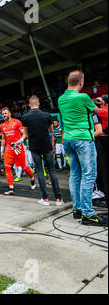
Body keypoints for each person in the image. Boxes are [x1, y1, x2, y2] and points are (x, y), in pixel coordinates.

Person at [58, 70, 106, 226]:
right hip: (83, 139)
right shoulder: (83, 97)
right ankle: (88, 213)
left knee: (76, 174)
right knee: (89, 175)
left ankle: (77, 209)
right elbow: (97, 111)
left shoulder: (61, 99)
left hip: (69, 140)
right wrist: (101, 102)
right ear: (81, 82)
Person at [22, 95, 63, 206]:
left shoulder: (25, 117)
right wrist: (52, 143)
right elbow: (51, 132)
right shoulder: (47, 115)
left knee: (40, 171)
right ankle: (58, 198)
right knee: (52, 171)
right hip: (46, 146)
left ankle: (45, 199)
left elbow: (26, 134)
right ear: (38, 104)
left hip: (34, 147)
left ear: (30, 105)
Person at [0, 107, 36, 195]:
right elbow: (3, 138)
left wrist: (19, 142)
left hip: (18, 147)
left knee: (24, 167)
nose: (4, 115)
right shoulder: (3, 126)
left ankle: (32, 178)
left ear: (9, 113)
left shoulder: (17, 122)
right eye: (3, 114)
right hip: (9, 148)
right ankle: (11, 188)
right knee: (7, 167)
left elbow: (24, 134)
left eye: (5, 113)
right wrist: (2, 150)